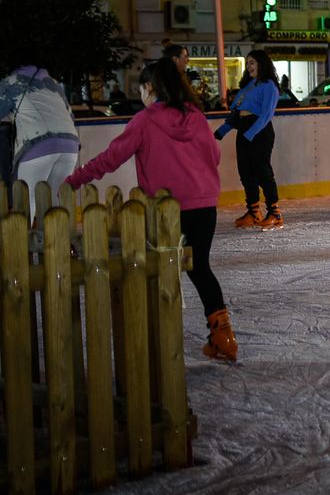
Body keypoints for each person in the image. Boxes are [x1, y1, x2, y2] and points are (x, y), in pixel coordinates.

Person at [69, 58, 237, 362]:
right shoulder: (196, 117)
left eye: (141, 89)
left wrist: (75, 179)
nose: (140, 96)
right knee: (199, 268)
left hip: (167, 210)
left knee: (158, 270)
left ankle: (159, 341)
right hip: (203, 205)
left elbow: (111, 158)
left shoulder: (145, 120)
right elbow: (213, 155)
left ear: (150, 87)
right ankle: (223, 337)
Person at [0, 61, 80, 218]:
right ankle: (58, 240)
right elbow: (70, 115)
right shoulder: (54, 83)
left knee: (27, 201)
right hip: (70, 146)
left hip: (38, 145)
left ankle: (23, 242)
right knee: (55, 201)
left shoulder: (11, 82)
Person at [216, 49, 282, 229]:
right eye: (248, 63)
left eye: (252, 62)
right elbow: (236, 114)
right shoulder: (247, 86)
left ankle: (274, 213)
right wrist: (222, 130)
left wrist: (251, 133)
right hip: (244, 129)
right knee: (246, 172)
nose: (249, 66)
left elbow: (266, 114)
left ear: (262, 63)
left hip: (260, 131)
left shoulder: (269, 86)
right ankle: (254, 212)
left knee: (263, 171)